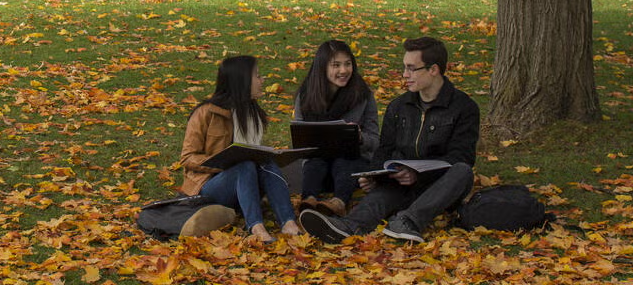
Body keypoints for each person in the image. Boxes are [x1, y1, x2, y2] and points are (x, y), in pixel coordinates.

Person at [300, 36, 479, 243]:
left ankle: (408, 222)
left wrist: (419, 175)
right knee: (383, 193)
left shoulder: (464, 107)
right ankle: (347, 227)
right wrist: (375, 176)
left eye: (412, 68)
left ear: (433, 70)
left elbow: (461, 156)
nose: (405, 75)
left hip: (439, 186)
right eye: (404, 67)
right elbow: (384, 150)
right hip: (401, 183)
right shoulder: (398, 107)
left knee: (463, 171)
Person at [181, 55, 301, 242]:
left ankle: (288, 222)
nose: (263, 81)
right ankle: (255, 226)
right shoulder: (206, 113)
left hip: (247, 183)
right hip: (211, 185)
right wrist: (221, 163)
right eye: (258, 76)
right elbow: (188, 157)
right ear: (241, 81)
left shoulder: (253, 114)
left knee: (266, 161)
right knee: (244, 165)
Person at [293, 40, 380, 217]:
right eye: (336, 65)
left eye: (348, 64)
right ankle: (308, 202)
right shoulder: (306, 95)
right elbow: (300, 144)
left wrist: (360, 138)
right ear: (322, 68)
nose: (343, 70)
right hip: (318, 171)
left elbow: (376, 141)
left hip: (352, 169)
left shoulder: (363, 94)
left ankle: (338, 203)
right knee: (315, 162)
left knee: (344, 160)